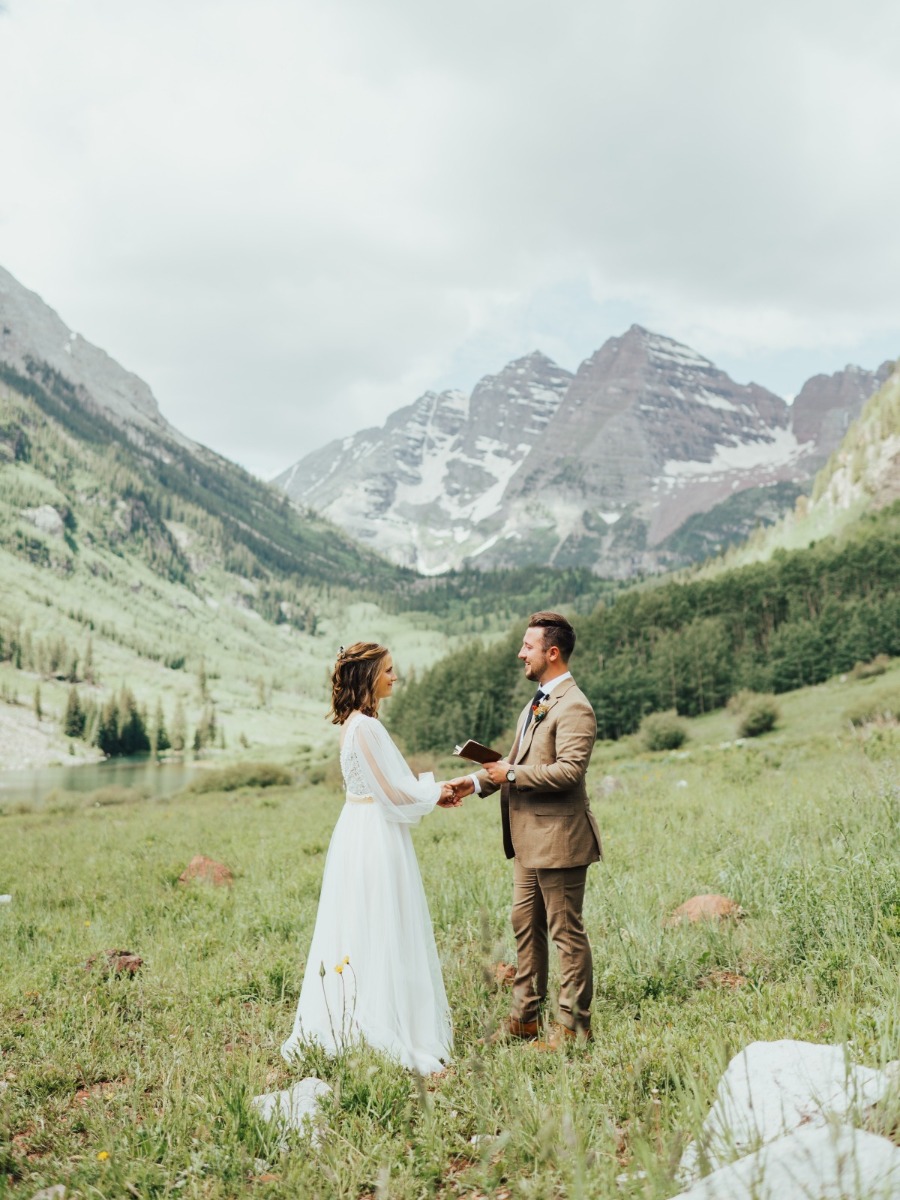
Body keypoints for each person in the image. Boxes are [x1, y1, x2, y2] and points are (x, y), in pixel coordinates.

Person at [281, 642, 460, 1075]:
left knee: (359, 921)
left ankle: (357, 1013)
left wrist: (430, 793)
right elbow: (392, 791)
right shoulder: (367, 729)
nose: (395, 677)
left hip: (356, 828)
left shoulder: (352, 725)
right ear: (369, 678)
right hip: (374, 833)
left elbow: (387, 787)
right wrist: (440, 791)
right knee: (381, 922)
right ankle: (380, 1023)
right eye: (389, 671)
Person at [450, 611, 601, 1045]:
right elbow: (510, 762)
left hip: (561, 842)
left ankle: (573, 1027)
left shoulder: (576, 707)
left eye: (528, 647)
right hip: (527, 842)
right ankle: (525, 1018)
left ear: (552, 653)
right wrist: (473, 781)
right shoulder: (534, 703)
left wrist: (511, 776)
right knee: (524, 925)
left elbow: (569, 771)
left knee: (566, 934)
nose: (521, 653)